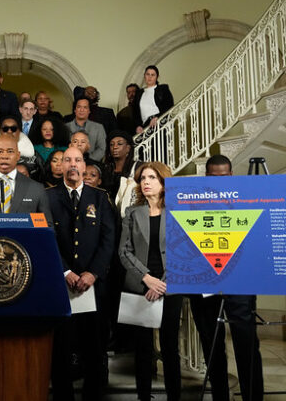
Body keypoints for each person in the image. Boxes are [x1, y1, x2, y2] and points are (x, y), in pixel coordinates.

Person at [188, 154, 265, 401]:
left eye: (224, 177)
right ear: (206, 177)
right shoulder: (192, 202)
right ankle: (220, 395)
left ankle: (253, 396)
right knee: (211, 346)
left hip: (240, 283)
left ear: (231, 176)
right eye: (213, 177)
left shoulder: (247, 200)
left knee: (247, 344)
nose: (219, 181)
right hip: (204, 284)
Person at [48, 147, 115, 401]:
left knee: (94, 349)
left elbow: (109, 239)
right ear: (60, 166)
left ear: (84, 166)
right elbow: (47, 238)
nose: (72, 164)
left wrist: (93, 273)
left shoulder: (100, 198)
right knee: (61, 349)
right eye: (67, 160)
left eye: (77, 160)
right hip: (60, 284)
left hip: (93, 287)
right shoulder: (48, 198)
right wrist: (65, 270)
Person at [118, 161, 182, 401]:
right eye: (143, 178)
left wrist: (162, 284)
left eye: (152, 178)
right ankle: (143, 396)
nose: (145, 182)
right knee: (142, 350)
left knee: (170, 348)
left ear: (164, 183)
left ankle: (174, 396)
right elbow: (124, 252)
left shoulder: (177, 211)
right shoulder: (132, 213)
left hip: (170, 288)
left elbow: (183, 251)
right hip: (140, 286)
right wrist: (147, 278)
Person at [132, 65, 174, 134]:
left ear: (157, 77)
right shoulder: (139, 93)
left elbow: (169, 105)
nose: (150, 77)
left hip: (160, 124)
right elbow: (135, 113)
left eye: (153, 75)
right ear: (144, 76)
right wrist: (138, 126)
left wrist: (157, 117)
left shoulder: (163, 89)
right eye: (147, 74)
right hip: (145, 127)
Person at [66, 97, 106, 163]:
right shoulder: (65, 127)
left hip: (92, 164)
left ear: (89, 111)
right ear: (75, 110)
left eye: (85, 107)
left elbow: (102, 149)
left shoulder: (98, 127)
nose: (82, 110)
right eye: (79, 107)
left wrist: (88, 161)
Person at [103, 131, 135, 201]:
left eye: (119, 144)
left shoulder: (137, 168)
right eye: (111, 144)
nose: (115, 147)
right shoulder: (106, 170)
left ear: (128, 148)